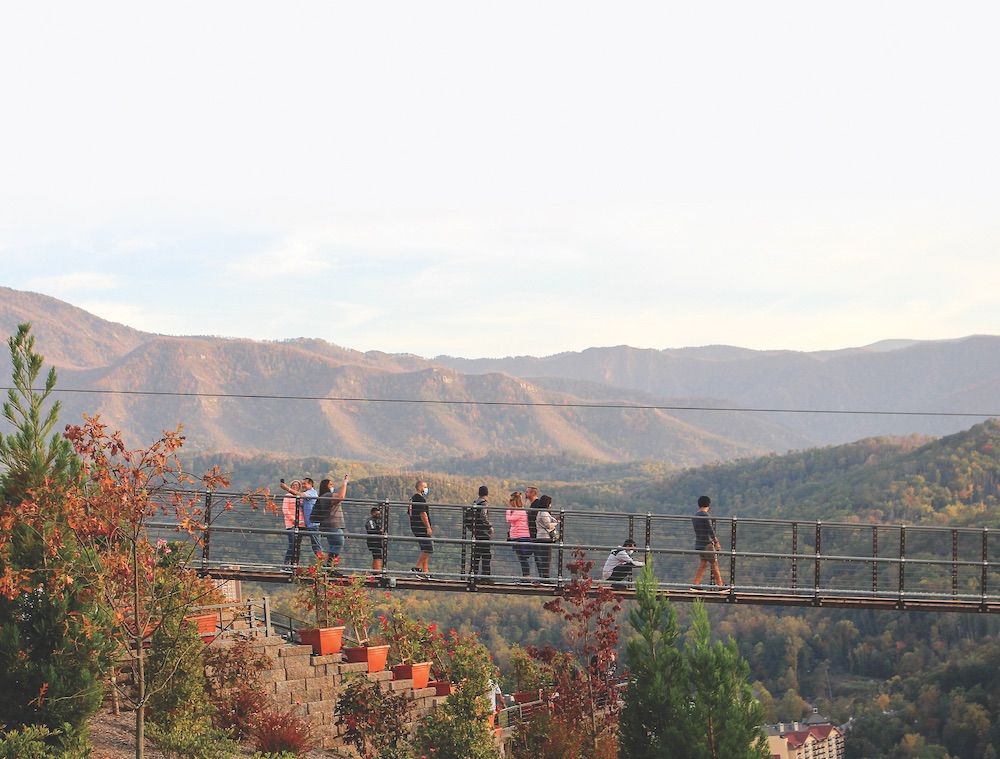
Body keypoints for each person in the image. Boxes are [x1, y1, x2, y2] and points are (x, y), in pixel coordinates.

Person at [315, 475, 349, 570]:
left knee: (334, 545)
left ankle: (330, 567)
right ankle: (329, 566)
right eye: (330, 485)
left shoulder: (323, 496)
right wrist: (344, 483)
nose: (332, 486)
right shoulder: (327, 496)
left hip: (330, 524)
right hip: (333, 524)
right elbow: (340, 497)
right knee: (339, 543)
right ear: (326, 486)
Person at [691, 495, 725, 590]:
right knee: (714, 563)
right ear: (709, 504)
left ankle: (695, 584)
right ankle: (720, 585)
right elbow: (710, 531)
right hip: (706, 543)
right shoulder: (706, 516)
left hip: (699, 543)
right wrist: (717, 543)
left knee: (703, 563)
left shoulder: (695, 516)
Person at [468, 485, 494, 581]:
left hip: (476, 532)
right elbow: (483, 516)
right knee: (486, 555)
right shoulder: (484, 504)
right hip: (483, 532)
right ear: (487, 493)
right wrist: (489, 526)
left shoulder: (475, 503)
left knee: (476, 555)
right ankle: (485, 577)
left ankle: (472, 575)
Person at [408, 479, 433, 577]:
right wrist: (428, 527)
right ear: (419, 487)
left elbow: (409, 514)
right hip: (421, 527)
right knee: (428, 548)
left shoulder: (412, 499)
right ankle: (417, 568)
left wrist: (412, 525)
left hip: (415, 526)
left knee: (424, 549)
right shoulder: (420, 499)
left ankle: (425, 571)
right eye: (425, 487)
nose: (426, 489)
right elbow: (423, 513)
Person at [505, 491, 532, 580]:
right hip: (517, 536)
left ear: (515, 500)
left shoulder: (519, 511)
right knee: (521, 558)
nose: (510, 502)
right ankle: (525, 576)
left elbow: (509, 519)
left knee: (522, 558)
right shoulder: (519, 510)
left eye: (511, 500)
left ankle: (526, 576)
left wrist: (508, 509)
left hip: (521, 537)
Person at [534, 495, 559, 579]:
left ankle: (544, 576)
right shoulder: (544, 512)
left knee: (544, 558)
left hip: (541, 536)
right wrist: (556, 524)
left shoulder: (541, 512)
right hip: (545, 537)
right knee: (546, 558)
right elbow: (548, 525)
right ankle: (545, 577)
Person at [281, 478, 303, 569]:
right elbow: (285, 509)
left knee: (297, 545)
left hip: (301, 524)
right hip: (291, 524)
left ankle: (295, 565)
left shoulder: (301, 496)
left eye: (297, 485)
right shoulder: (288, 496)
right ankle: (286, 564)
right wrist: (293, 519)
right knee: (292, 543)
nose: (295, 486)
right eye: (293, 485)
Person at [524, 485, 542, 576]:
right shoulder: (533, 504)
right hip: (533, 535)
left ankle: (543, 578)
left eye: (527, 492)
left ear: (532, 493)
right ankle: (541, 577)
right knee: (536, 557)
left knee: (539, 557)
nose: (525, 494)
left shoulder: (537, 504)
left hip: (537, 535)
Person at [365, 505, 384, 571]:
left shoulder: (377, 521)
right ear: (372, 513)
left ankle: (375, 571)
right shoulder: (371, 521)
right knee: (377, 556)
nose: (378, 515)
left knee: (376, 556)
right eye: (376, 514)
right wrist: (380, 531)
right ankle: (377, 571)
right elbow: (371, 530)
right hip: (374, 541)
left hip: (376, 540)